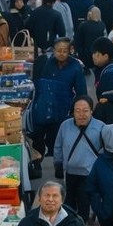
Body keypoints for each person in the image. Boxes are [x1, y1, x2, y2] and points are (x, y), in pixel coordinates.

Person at [29, 38, 87, 176]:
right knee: (37, 137)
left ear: (70, 51)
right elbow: (36, 84)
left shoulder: (75, 66)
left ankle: (59, 166)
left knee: (57, 139)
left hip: (62, 108)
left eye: (64, 51)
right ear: (53, 50)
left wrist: (79, 108)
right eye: (58, 51)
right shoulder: (45, 63)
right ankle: (37, 165)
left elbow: (81, 91)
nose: (61, 54)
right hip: (42, 108)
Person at [53, 95, 105, 223]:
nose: (81, 114)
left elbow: (106, 149)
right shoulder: (65, 126)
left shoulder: (100, 127)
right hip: (70, 172)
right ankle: (72, 223)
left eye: (85, 110)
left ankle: (82, 224)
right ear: (73, 112)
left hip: (89, 172)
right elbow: (58, 146)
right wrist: (58, 163)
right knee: (69, 200)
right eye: (78, 110)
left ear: (91, 111)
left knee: (84, 199)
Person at [74, 5, 107, 73]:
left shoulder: (83, 25)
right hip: (98, 53)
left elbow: (78, 40)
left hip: (86, 54)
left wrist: (77, 51)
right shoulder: (102, 25)